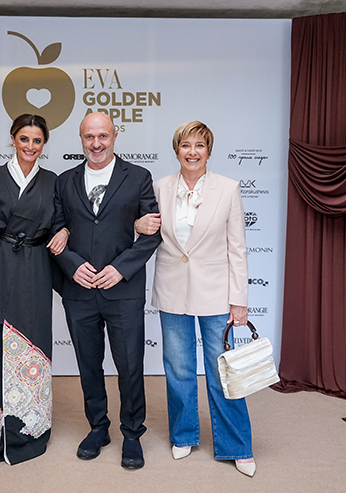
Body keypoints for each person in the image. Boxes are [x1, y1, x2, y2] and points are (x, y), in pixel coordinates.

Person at [138, 120, 256, 476]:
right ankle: (184, 434)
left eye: (199, 146)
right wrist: (137, 225)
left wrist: (239, 300)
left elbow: (237, 248)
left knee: (223, 371)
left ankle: (237, 445)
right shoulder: (159, 187)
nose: (192, 152)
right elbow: (144, 228)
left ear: (209, 151)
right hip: (172, 288)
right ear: (177, 150)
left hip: (217, 293)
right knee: (178, 369)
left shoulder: (228, 188)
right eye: (186, 145)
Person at [52, 112, 161, 469]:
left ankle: (132, 433)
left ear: (115, 136)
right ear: (81, 139)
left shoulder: (139, 177)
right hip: (79, 290)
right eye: (89, 137)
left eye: (103, 136)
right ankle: (98, 427)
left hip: (122, 290)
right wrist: (71, 264)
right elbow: (55, 230)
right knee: (88, 365)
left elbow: (153, 233)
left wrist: (120, 269)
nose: (96, 144)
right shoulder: (64, 181)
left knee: (129, 366)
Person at [0, 114, 68, 465]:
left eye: (37, 140)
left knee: (33, 345)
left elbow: (62, 222)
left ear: (44, 144)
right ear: (13, 139)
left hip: (35, 269)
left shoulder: (52, 181)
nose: (30, 146)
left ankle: (29, 428)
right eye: (24, 139)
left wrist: (64, 231)